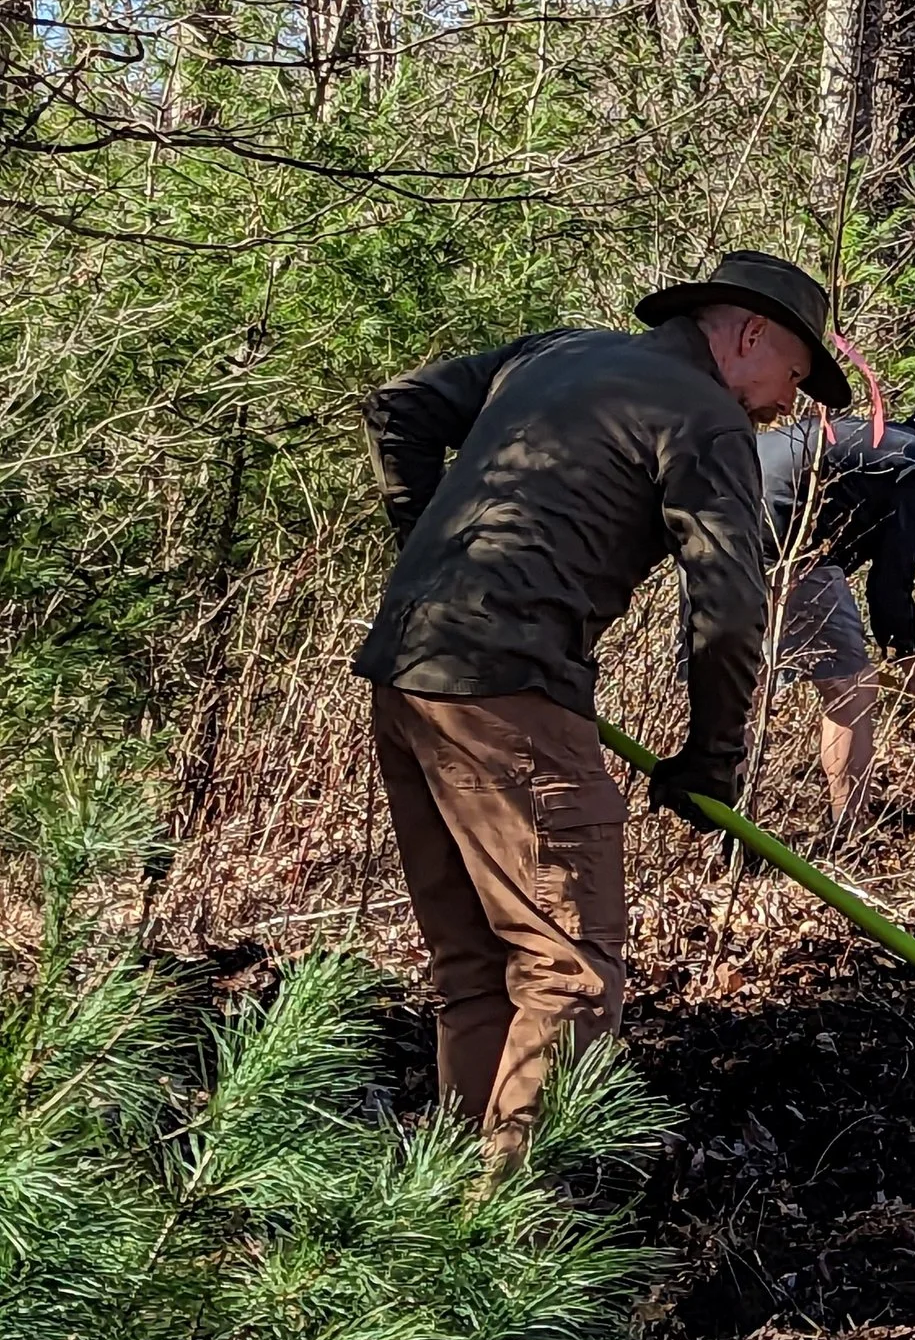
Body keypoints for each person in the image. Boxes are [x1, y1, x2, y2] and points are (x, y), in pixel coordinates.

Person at [353, 249, 845, 1167]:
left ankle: (445, 1211)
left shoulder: (552, 353)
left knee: (475, 969)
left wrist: (429, 548)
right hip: (510, 690)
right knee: (569, 971)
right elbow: (731, 607)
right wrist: (713, 757)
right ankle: (518, 1234)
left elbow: (400, 406)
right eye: (795, 378)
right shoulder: (706, 418)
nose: (785, 406)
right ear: (750, 335)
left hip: (406, 669)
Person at [757, 390, 915, 831]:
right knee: (851, 687)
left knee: (738, 687)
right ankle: (848, 833)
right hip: (788, 550)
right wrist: (911, 661)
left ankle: (723, 833)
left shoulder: (875, 442)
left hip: (714, 536)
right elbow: (892, 579)